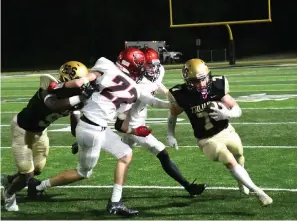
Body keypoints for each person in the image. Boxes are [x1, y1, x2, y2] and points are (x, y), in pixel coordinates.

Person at [27, 48, 168, 217]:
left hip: (93, 126)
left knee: (125, 153)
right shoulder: (134, 90)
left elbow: (80, 82)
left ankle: (115, 202)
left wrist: (58, 85)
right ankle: (38, 186)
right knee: (83, 172)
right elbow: (121, 124)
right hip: (93, 130)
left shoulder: (106, 64)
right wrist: (136, 128)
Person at [166, 58, 273, 206]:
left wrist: (227, 114)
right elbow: (173, 115)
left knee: (239, 155)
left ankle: (241, 182)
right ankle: (259, 192)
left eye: (204, 79)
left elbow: (237, 109)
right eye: (196, 81)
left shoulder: (216, 86)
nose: (202, 84)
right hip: (206, 139)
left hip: (226, 130)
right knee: (228, 160)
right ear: (187, 81)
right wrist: (170, 134)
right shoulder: (181, 94)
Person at [1, 61, 94, 212]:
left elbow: (74, 126)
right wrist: (79, 99)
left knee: (37, 169)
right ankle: (9, 194)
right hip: (22, 130)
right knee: (27, 173)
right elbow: (54, 105)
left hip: (40, 132)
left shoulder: (75, 96)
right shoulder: (49, 87)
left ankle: (8, 180)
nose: (82, 86)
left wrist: (79, 137)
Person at [119, 47, 206, 196]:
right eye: (148, 65)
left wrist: (171, 96)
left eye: (155, 65)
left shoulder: (159, 71)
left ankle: (90, 140)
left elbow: (158, 85)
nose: (153, 69)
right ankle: (188, 186)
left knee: (121, 152)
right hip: (133, 124)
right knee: (162, 153)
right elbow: (151, 101)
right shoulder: (135, 82)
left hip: (139, 116)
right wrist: (171, 104)